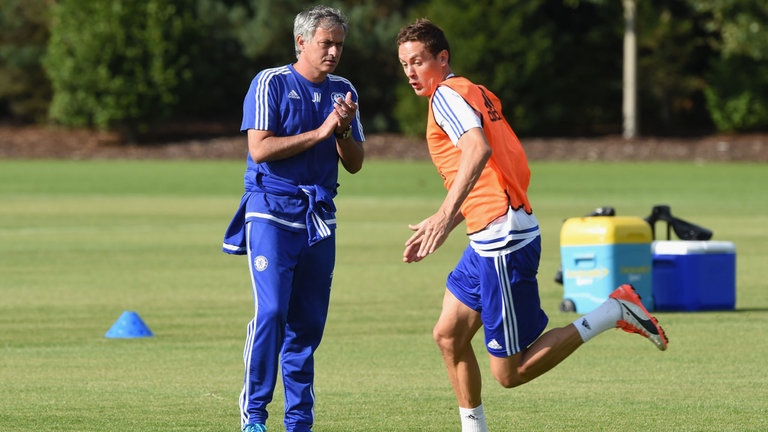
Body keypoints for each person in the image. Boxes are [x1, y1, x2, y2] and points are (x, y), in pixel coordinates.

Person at [396, 19, 667, 432]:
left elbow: (478, 150)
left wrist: (442, 214)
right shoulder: (476, 92)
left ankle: (614, 310)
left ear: (442, 58)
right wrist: (448, 222)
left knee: (510, 372)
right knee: (449, 335)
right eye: (404, 64)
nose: (410, 72)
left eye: (418, 62)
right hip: (492, 232)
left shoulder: (445, 97)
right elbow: (499, 169)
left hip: (501, 240)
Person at [222, 6, 364, 432]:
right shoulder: (270, 83)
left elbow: (355, 163)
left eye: (339, 43)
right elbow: (260, 149)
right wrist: (322, 132)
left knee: (307, 323)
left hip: (318, 216)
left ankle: (299, 421)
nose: (334, 51)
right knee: (271, 313)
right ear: (301, 42)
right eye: (326, 43)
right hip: (270, 210)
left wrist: (342, 130)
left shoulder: (344, 89)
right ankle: (255, 417)